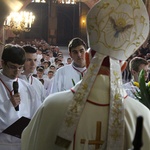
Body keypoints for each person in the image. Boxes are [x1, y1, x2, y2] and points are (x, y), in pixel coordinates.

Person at [21, 0, 150, 150]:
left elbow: (29, 142)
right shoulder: (142, 117)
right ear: (123, 67)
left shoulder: (51, 107)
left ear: (87, 59)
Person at [0, 44, 41, 150]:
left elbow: (37, 114)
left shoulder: (27, 87)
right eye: (13, 67)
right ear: (2, 63)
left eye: (20, 68)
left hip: (23, 143)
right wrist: (8, 105)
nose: (16, 72)